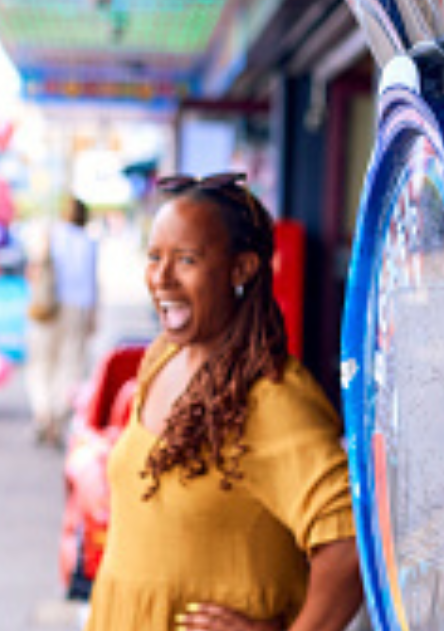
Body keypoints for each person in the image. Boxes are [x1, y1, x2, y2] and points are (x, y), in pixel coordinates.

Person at [85, 173, 362, 631]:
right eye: (155, 257)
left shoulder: (272, 396)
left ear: (242, 269)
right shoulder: (162, 357)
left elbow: (350, 544)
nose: (161, 276)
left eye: (186, 259)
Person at [24, 197, 99, 447]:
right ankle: (58, 413)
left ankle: (42, 412)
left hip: (48, 305)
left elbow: (35, 269)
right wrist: (93, 315)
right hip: (78, 308)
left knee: (42, 362)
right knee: (71, 364)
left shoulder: (51, 234)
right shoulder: (89, 242)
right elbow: (93, 282)